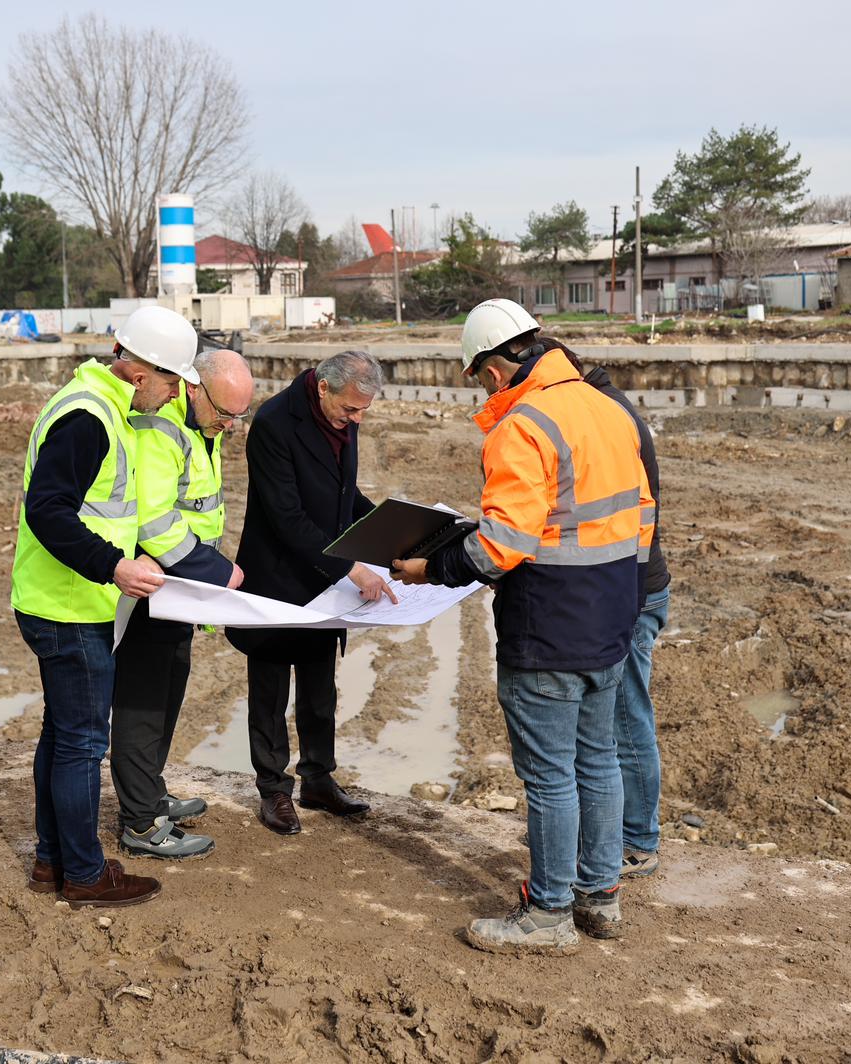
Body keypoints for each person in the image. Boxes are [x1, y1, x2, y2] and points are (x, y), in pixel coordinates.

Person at [392, 298, 655, 956]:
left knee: (550, 776)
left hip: (546, 628)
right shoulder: (608, 408)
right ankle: (600, 898)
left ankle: (549, 914)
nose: (484, 391)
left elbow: (500, 546)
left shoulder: (523, 425)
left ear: (494, 367)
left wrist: (432, 567)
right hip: (610, 618)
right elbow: (642, 516)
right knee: (598, 761)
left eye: (480, 379)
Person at [12, 305, 200, 907]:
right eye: (172, 381)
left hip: (61, 600)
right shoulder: (88, 417)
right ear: (141, 374)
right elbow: (48, 510)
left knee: (62, 736)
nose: (175, 395)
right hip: (69, 608)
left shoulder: (98, 405)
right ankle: (84, 874)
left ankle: (52, 861)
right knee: (82, 745)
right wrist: (115, 566)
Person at [227, 349, 397, 837]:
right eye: (351, 409)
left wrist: (392, 528)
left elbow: (344, 495)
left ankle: (318, 780)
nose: (357, 419)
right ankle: (273, 789)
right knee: (270, 693)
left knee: (320, 690)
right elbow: (287, 517)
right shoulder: (274, 424)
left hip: (322, 580)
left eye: (363, 411)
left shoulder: (343, 416)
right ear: (323, 387)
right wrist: (352, 567)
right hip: (276, 577)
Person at [111, 345, 253, 859]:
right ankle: (141, 823)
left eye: (238, 416)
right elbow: (155, 524)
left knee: (167, 694)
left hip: (181, 590)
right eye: (225, 412)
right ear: (194, 388)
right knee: (143, 704)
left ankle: (149, 794)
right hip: (152, 593)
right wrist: (218, 571)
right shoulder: (160, 429)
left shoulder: (202, 426)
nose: (230, 425)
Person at [556, 345, 671, 879]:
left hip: (629, 592)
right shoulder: (602, 407)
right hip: (621, 588)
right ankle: (608, 835)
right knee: (607, 725)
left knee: (625, 720)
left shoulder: (606, 415)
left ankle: (637, 840)